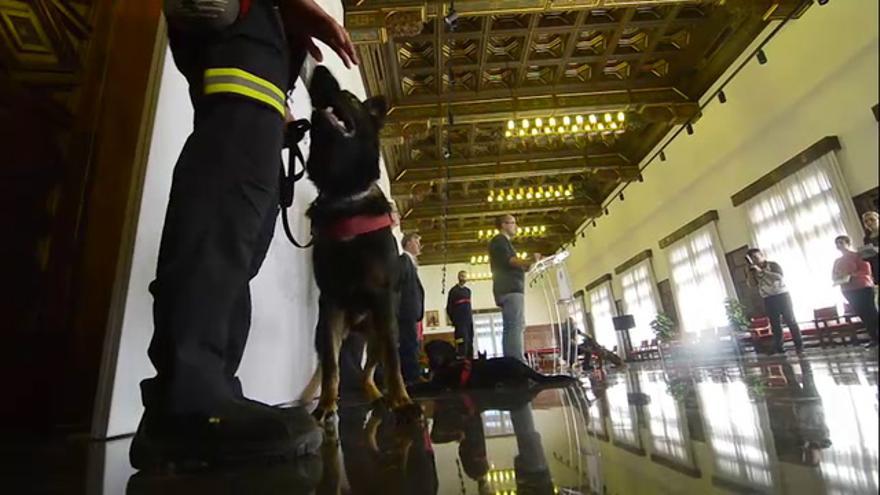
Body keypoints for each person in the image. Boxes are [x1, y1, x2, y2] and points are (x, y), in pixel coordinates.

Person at [131, 0, 358, 469]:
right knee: (215, 241)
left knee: (236, 250)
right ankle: (189, 405)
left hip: (257, 108)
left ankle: (210, 394)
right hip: (238, 101)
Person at [489, 214, 540, 362]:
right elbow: (510, 261)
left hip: (509, 289)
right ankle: (516, 364)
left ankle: (513, 363)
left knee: (515, 326)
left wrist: (531, 263)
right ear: (503, 225)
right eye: (512, 223)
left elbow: (516, 265)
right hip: (510, 289)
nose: (516, 226)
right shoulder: (499, 240)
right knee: (514, 327)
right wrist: (529, 260)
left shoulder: (504, 242)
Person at [746, 248, 804, 354]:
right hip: (768, 298)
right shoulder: (753, 269)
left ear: (762, 256)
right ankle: (779, 347)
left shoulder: (773, 265)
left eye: (756, 257)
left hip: (782, 295)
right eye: (751, 259)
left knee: (790, 320)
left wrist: (762, 271)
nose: (754, 260)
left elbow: (779, 277)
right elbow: (752, 285)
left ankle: (799, 346)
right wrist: (750, 273)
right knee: (775, 324)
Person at [832, 235, 879, 348]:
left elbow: (866, 271)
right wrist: (838, 276)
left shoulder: (857, 255)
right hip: (848, 290)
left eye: (841, 242)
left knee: (872, 313)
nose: (839, 245)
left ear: (848, 243)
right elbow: (833, 275)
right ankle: (874, 338)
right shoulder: (837, 261)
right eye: (837, 243)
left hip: (863, 287)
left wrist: (851, 275)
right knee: (862, 314)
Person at [398, 232, 425, 384]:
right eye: (416, 241)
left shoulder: (410, 263)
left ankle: (413, 375)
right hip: (405, 311)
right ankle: (412, 378)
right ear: (408, 243)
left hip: (410, 311)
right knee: (408, 344)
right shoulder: (403, 261)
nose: (419, 245)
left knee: (411, 343)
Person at [446, 270, 475, 359]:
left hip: (468, 320)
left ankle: (471, 359)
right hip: (459, 321)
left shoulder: (468, 291)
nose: (463, 278)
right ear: (458, 277)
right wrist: (454, 320)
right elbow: (449, 307)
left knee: (470, 340)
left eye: (465, 276)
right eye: (462, 276)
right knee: (462, 341)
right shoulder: (453, 291)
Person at [861, 211, 879, 287]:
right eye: (866, 221)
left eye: (872, 219)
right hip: (875, 266)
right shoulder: (866, 238)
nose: (869, 222)